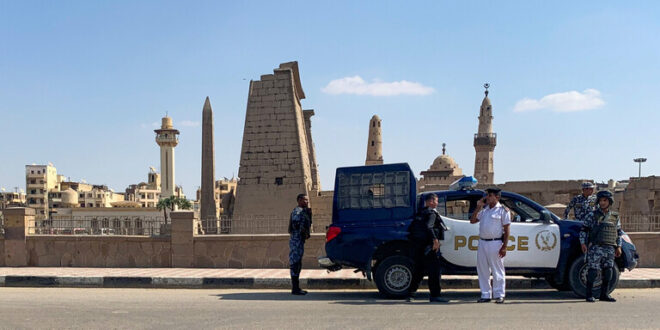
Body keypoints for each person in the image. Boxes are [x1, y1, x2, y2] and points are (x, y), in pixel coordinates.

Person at [579, 190, 622, 302]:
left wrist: (619, 246)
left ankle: (604, 294)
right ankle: (589, 294)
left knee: (608, 271)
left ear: (609, 201)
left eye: (605, 200)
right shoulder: (592, 215)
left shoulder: (614, 217)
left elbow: (618, 233)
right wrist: (583, 243)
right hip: (596, 247)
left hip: (609, 248)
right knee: (593, 271)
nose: (602, 203)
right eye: (601, 200)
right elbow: (584, 230)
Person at [470, 187, 511, 304]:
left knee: (497, 269)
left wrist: (504, 246)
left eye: (490, 195)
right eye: (487, 195)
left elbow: (507, 229)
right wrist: (478, 207)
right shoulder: (484, 210)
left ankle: (499, 294)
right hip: (483, 242)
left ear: (497, 197)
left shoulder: (503, 210)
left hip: (495, 242)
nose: (487, 197)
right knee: (483, 270)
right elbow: (472, 220)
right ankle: (485, 294)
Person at [407, 193, 448, 303]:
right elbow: (429, 227)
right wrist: (435, 240)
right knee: (434, 271)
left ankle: (410, 294)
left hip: (418, 246)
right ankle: (435, 295)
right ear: (430, 202)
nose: (437, 203)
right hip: (429, 247)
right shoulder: (431, 214)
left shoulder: (420, 213)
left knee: (419, 271)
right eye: (436, 201)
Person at [288, 193, 312, 295]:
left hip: (299, 240)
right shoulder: (298, 212)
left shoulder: (303, 211)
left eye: (307, 200)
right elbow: (297, 225)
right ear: (299, 201)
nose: (307, 202)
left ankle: (296, 288)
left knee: (298, 263)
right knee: (295, 263)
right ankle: (295, 288)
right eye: (304, 200)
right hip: (296, 240)